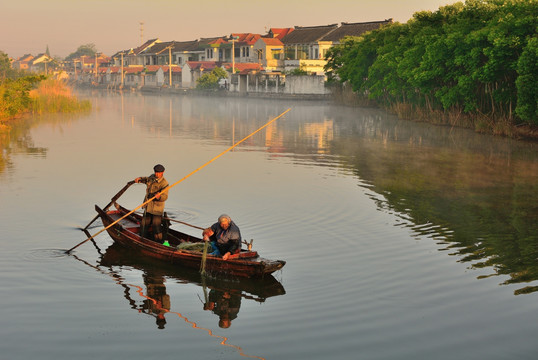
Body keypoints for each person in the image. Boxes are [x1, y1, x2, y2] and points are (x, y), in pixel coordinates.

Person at [134, 164, 169, 243]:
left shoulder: (164, 183)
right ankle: (142, 239)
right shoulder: (152, 177)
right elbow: (146, 180)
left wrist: (159, 197)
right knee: (144, 225)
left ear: (163, 172)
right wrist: (140, 179)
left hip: (157, 209)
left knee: (156, 227)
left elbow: (165, 196)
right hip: (148, 207)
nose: (157, 174)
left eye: (159, 172)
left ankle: (158, 242)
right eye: (156, 172)